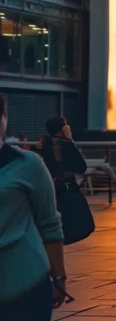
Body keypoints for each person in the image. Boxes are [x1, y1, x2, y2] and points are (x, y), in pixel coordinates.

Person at [0, 94, 69, 318]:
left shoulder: (28, 165)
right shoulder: (27, 165)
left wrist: (58, 277)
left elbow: (50, 224)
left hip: (27, 285)